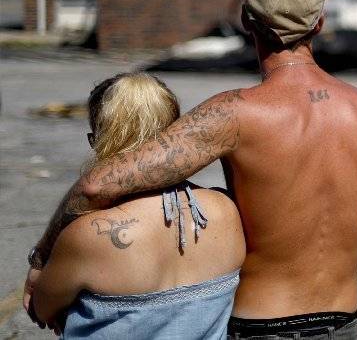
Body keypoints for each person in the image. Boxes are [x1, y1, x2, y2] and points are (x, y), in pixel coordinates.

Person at [25, 0, 357, 340]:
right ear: (318, 24)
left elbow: (97, 184)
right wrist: (344, 326)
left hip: (259, 327)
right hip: (343, 324)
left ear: (245, 20)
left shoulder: (235, 114)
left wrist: (43, 255)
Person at [31, 72, 245, 338]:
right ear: (175, 134)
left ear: (95, 140)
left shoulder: (88, 235)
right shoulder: (227, 210)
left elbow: (40, 309)